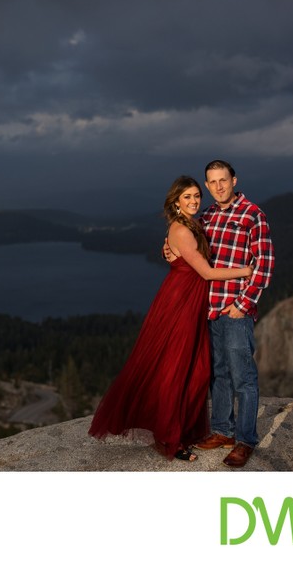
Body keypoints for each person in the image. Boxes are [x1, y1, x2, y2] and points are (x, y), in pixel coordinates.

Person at [88, 175, 252, 462]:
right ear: (175, 202)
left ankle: (182, 430)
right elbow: (207, 272)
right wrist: (246, 271)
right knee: (175, 368)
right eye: (187, 197)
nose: (193, 201)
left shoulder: (193, 224)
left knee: (196, 369)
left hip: (192, 302)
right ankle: (170, 439)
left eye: (196, 196)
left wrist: (166, 249)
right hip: (179, 304)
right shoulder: (182, 230)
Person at [187, 159, 275, 468]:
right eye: (212, 182)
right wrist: (167, 248)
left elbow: (263, 266)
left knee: (243, 377)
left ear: (234, 180)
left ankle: (245, 439)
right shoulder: (207, 216)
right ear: (207, 185)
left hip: (236, 310)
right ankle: (222, 430)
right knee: (218, 373)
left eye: (223, 180)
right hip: (210, 310)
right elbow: (186, 245)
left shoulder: (253, 216)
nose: (218, 186)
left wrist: (243, 305)